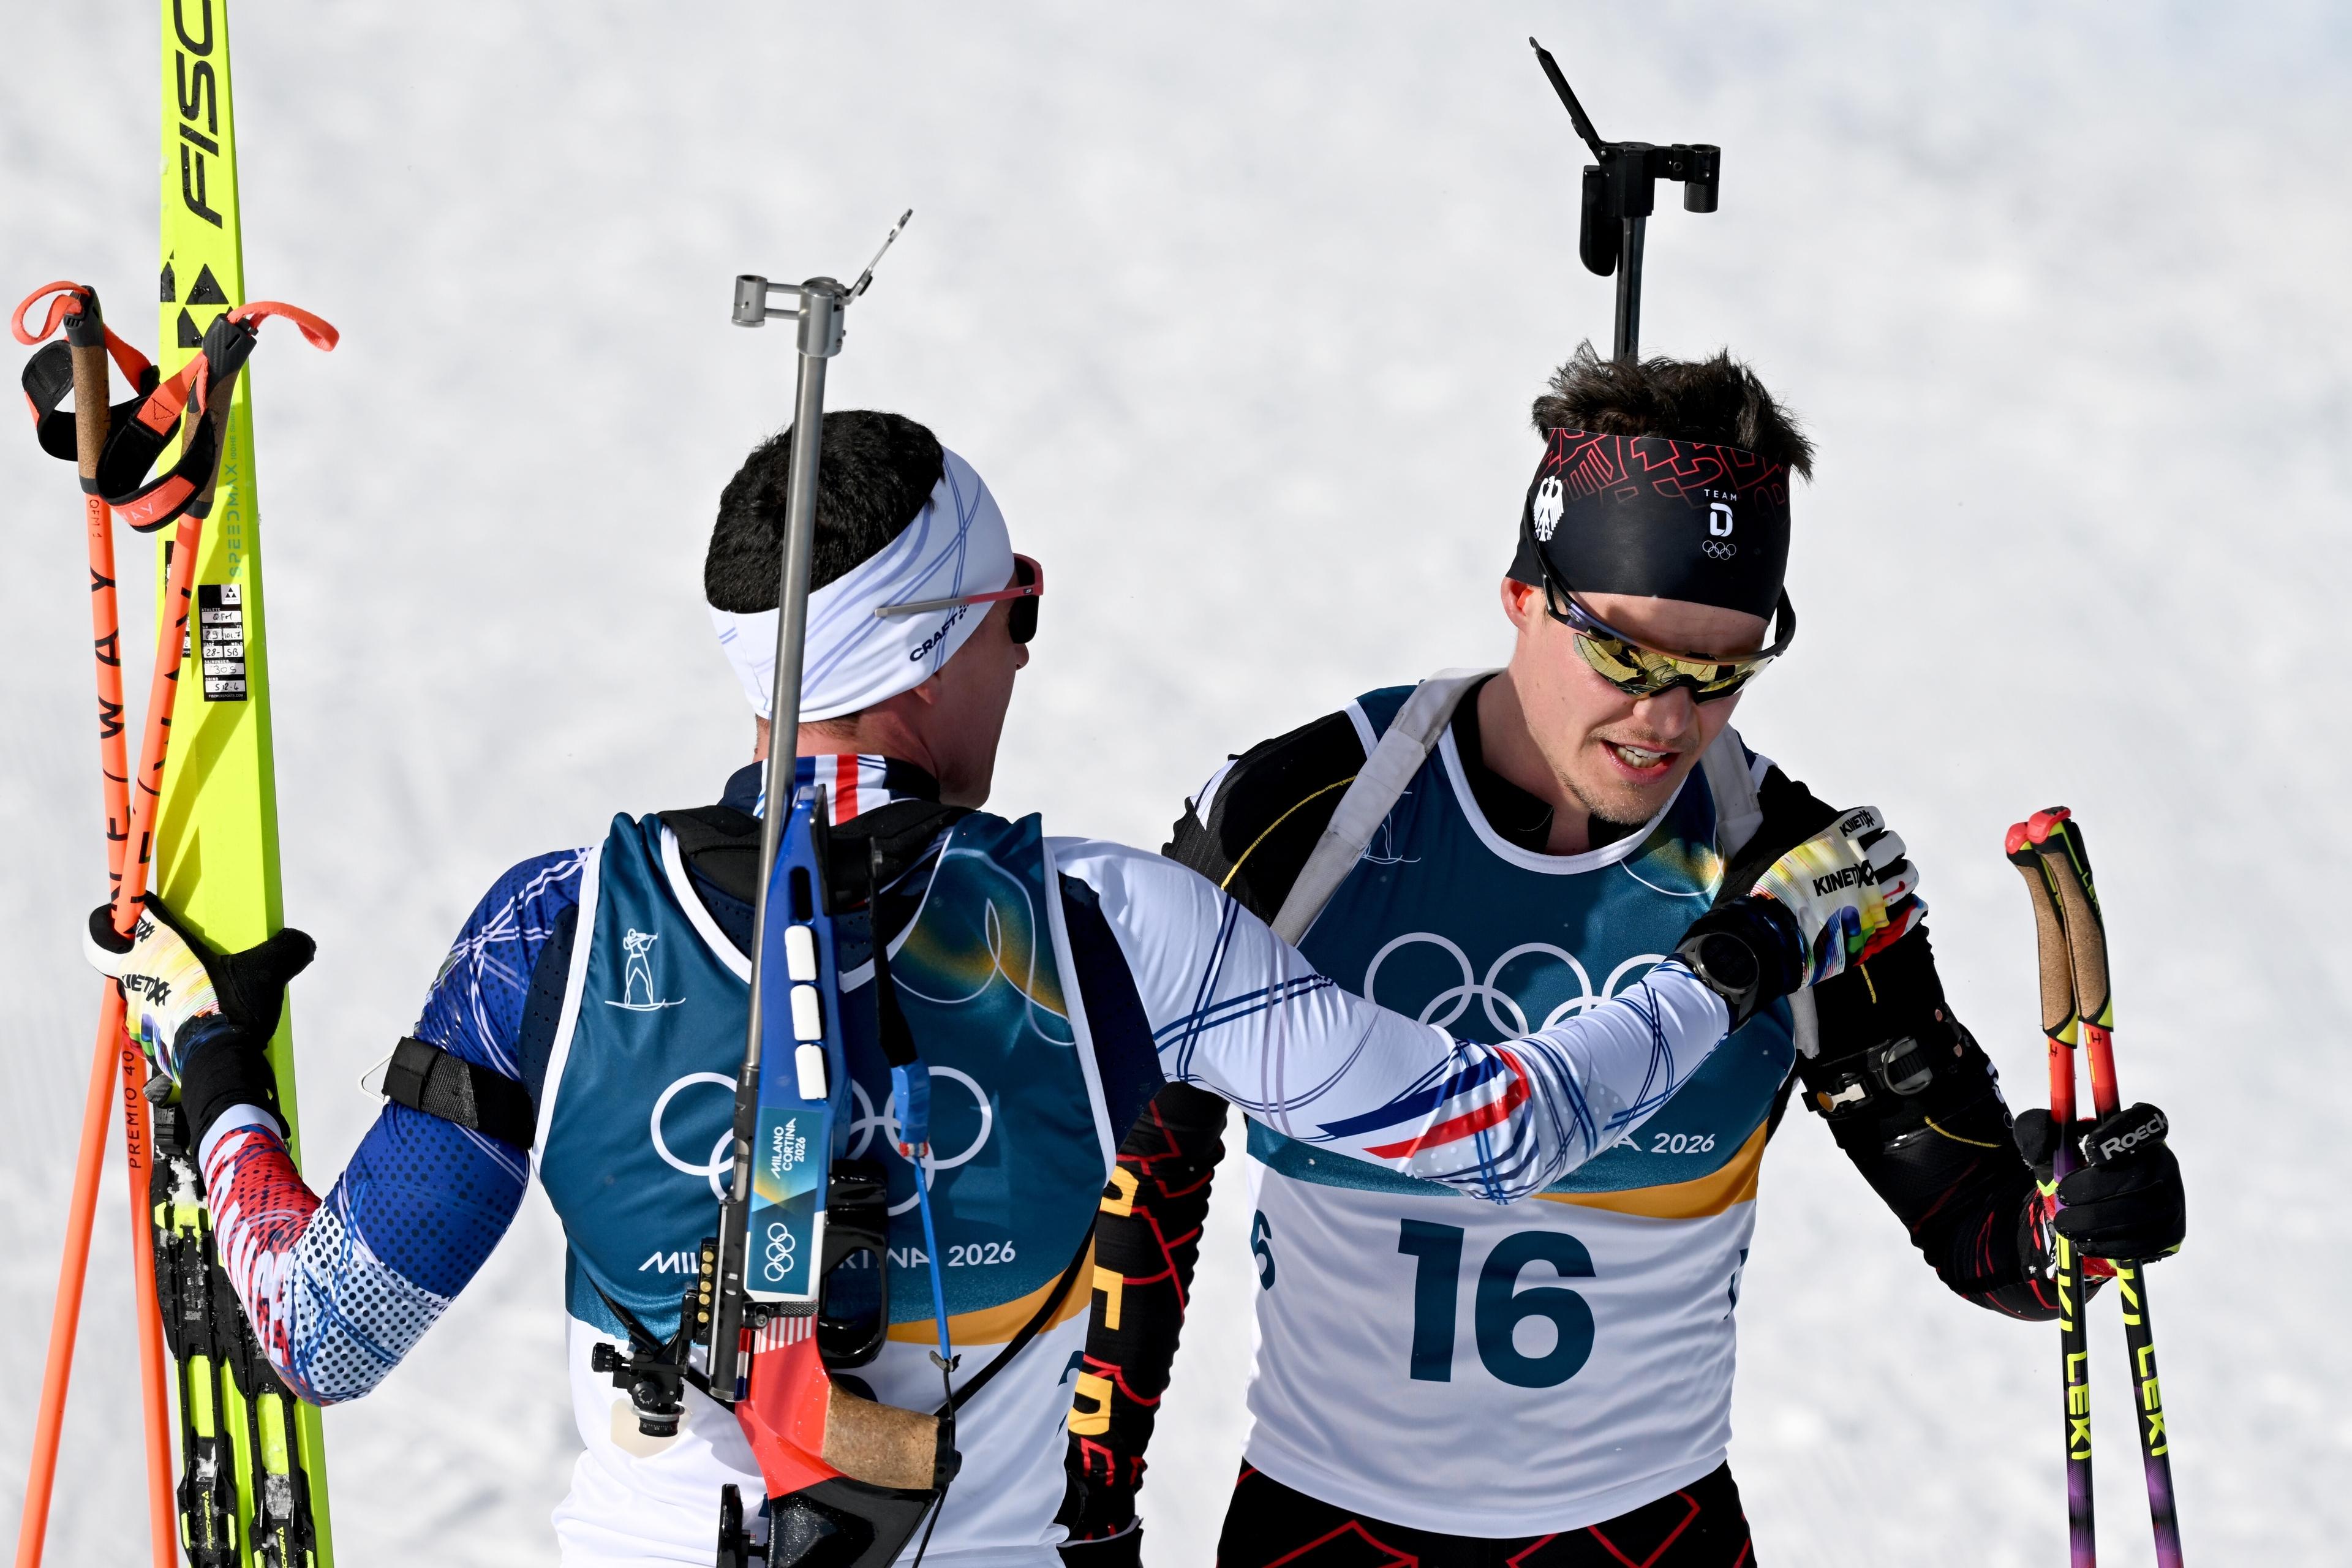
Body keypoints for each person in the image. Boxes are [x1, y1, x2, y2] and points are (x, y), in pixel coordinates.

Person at [85, 409, 1911, 1566]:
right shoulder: (1109, 925)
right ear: (955, 637)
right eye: (1016, 610)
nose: (1024, 654)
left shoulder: (555, 926)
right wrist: (1746, 951)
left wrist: (214, 1073)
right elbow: (1497, 1128)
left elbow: (315, 1328)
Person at [1060, 347, 2191, 1566]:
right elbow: (1140, 1178)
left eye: (1720, 675)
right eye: (1625, 655)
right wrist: (1088, 1506)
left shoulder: (1793, 869)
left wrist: (2079, 1225)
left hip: (1645, 1534)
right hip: (1331, 1523)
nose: (1664, 719)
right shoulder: (1299, 818)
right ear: (1522, 593)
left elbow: (1985, 1229)